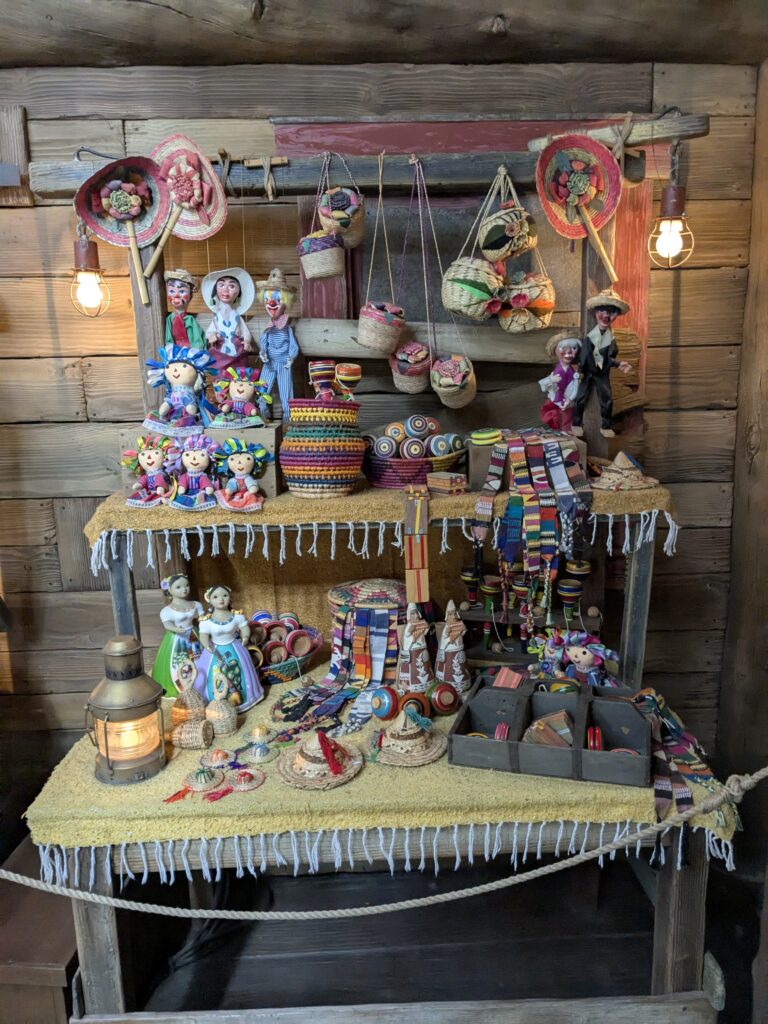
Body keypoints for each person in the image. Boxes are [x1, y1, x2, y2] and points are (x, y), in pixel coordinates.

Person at [571, 290, 632, 439]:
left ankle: (606, 426)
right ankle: (576, 424)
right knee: (580, 398)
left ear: (616, 315)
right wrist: (580, 370)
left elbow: (610, 357)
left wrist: (618, 364)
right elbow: (584, 355)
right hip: (587, 372)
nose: (606, 315)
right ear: (596, 313)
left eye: (611, 312)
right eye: (602, 311)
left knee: (607, 399)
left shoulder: (611, 340)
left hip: (602, 373)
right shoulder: (589, 337)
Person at [256, 268, 299, 420]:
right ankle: (262, 415)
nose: (271, 302)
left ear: (286, 301)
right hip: (269, 363)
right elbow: (264, 342)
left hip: (283, 364)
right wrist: (263, 353)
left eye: (277, 299)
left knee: (286, 392)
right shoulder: (268, 328)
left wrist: (291, 357)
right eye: (267, 299)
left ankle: (288, 420)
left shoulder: (287, 329)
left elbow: (293, 345)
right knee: (262, 390)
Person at [163, 269, 206, 349]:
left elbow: (197, 339)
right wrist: (170, 348)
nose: (176, 295)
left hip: (190, 352)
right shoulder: (170, 319)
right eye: (171, 291)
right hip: (175, 352)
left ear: (190, 296)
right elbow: (169, 338)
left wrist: (196, 350)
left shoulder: (190, 320)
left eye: (182, 291)